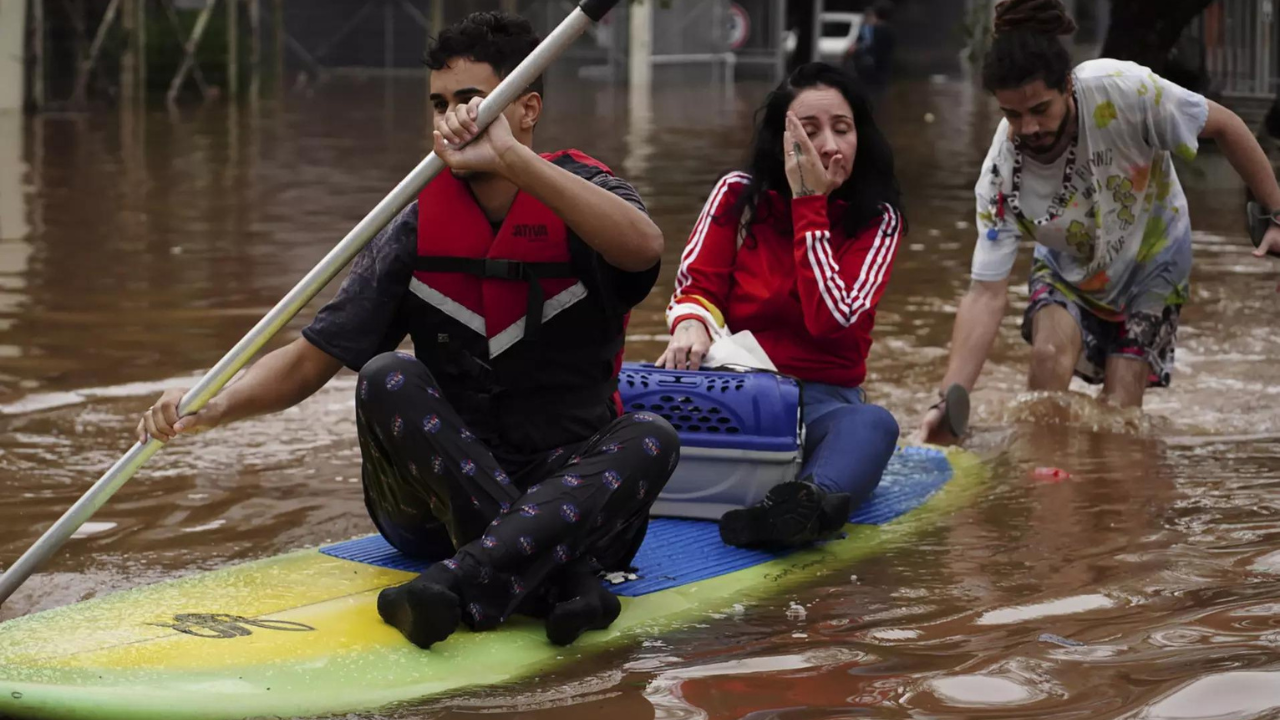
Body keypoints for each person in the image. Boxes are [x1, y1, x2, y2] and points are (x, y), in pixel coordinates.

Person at [135, 11, 679, 650]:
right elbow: (312, 358)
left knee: (651, 436)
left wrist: (511, 159)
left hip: (568, 498)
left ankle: (462, 581)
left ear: (526, 108)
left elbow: (644, 249)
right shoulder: (415, 224)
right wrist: (213, 404)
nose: (450, 119)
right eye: (439, 103)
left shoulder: (586, 193)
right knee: (385, 375)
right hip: (435, 510)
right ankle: (562, 584)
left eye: (472, 101)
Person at [916, 0, 1280, 445]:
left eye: (1040, 110)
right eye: (1013, 115)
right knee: (1048, 361)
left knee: (1121, 408)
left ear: (1068, 86)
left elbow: (1226, 125)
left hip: (1154, 258)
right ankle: (1047, 491)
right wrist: (948, 404)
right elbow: (985, 295)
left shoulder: (1125, 90)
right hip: (1069, 262)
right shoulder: (1001, 178)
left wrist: (1275, 214)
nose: (1029, 128)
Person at [656, 62, 904, 550]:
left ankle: (804, 506)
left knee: (875, 424)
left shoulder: (878, 221)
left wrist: (808, 205)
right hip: (735, 391)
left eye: (843, 129)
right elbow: (697, 285)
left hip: (822, 408)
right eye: (808, 133)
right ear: (780, 142)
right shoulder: (737, 196)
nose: (829, 146)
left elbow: (832, 319)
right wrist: (691, 324)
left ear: (861, 137)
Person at [848, 1, 896, 95]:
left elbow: (865, 46)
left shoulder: (871, 30)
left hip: (869, 70)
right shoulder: (891, 31)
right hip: (883, 70)